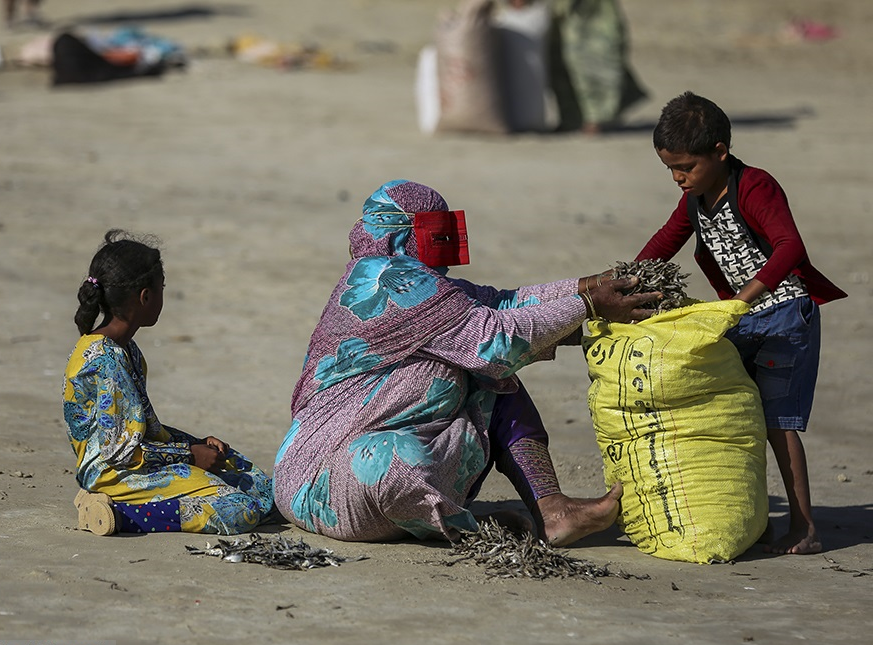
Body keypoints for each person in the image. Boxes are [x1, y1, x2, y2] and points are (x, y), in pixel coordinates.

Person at [272, 180, 660, 547]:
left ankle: (550, 508)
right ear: (403, 234)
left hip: (304, 484)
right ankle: (477, 524)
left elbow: (503, 302)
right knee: (473, 377)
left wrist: (591, 286)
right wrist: (589, 305)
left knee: (481, 367)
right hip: (325, 476)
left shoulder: (413, 281)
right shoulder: (390, 280)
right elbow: (496, 339)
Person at [634, 92, 847, 554]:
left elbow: (790, 247)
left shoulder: (754, 187)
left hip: (785, 316)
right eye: (669, 168)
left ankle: (805, 526)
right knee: (740, 418)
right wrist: (627, 281)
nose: (677, 178)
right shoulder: (696, 198)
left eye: (685, 167)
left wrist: (742, 299)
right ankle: (753, 519)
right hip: (743, 319)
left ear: (719, 153)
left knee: (776, 423)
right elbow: (665, 240)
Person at [63, 230, 274, 536]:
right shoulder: (104, 361)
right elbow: (120, 452)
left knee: (257, 485)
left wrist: (195, 444)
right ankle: (117, 515)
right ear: (145, 297)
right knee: (238, 510)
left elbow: (143, 428)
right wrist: (190, 456)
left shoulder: (126, 350)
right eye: (161, 289)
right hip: (114, 473)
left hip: (138, 460)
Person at [549, 0, 647, 133]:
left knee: (594, 66)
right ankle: (572, 119)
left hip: (595, 21)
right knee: (561, 65)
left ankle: (596, 119)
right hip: (563, 20)